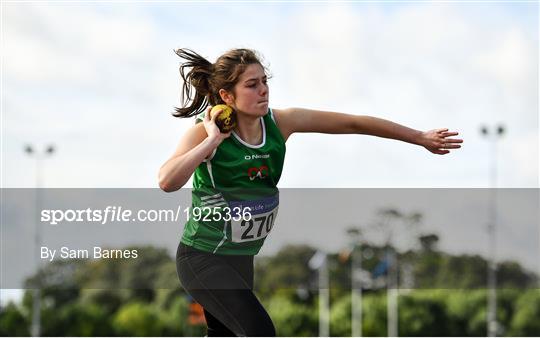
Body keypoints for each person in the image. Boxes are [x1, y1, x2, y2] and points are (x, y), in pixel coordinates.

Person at [158, 48, 463, 337]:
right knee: (259, 331)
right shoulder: (204, 132)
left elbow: (353, 123)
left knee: (225, 333)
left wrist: (419, 137)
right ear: (227, 95)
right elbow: (167, 181)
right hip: (202, 257)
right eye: (252, 85)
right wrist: (212, 141)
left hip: (241, 257)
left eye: (265, 81)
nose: (263, 90)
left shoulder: (281, 122)